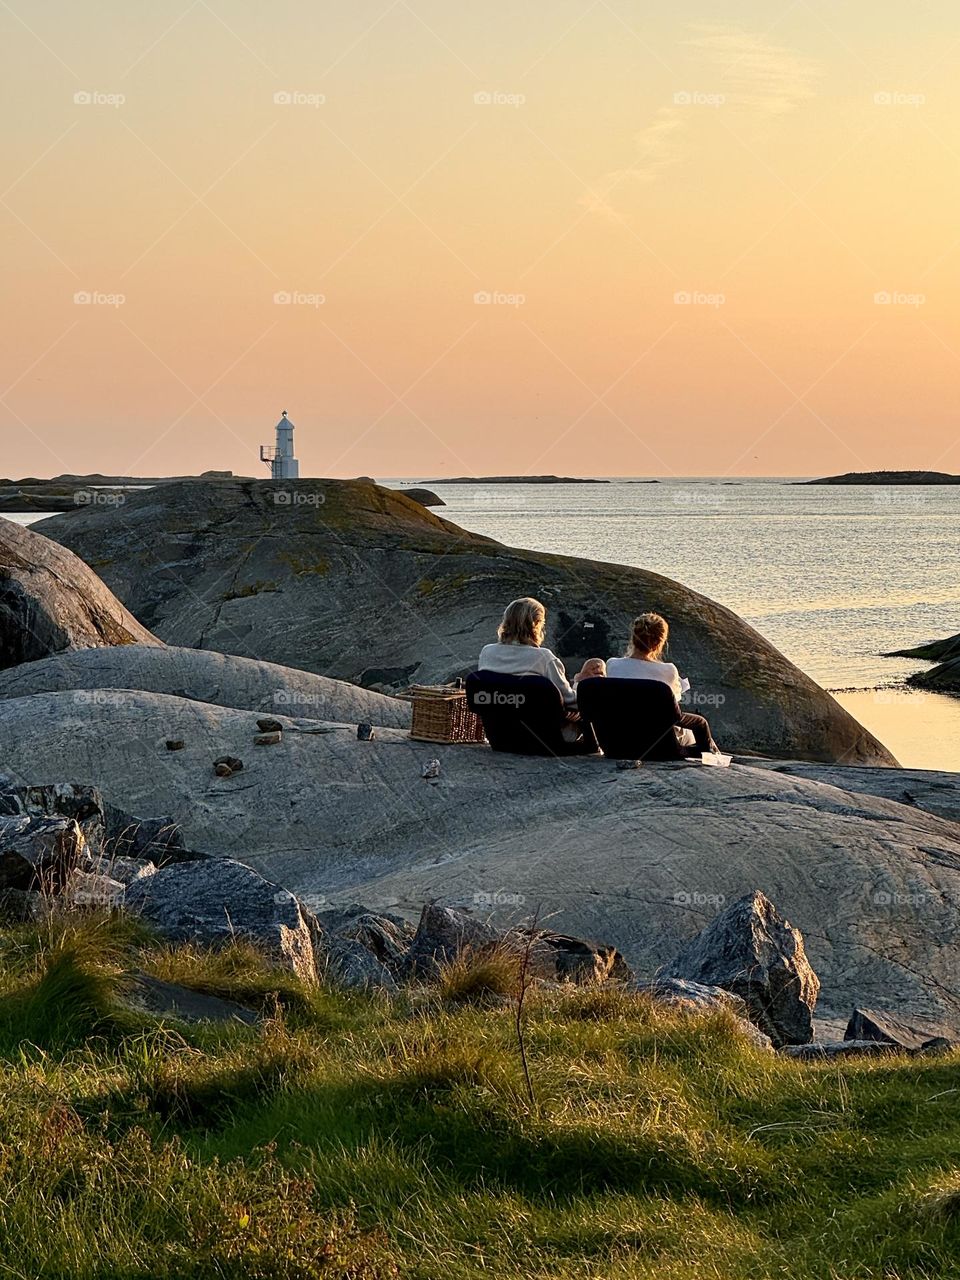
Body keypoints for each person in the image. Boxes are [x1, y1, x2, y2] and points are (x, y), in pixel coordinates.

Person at [606, 612, 720, 755]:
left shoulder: (612, 664)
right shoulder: (668, 670)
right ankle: (713, 757)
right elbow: (674, 707)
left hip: (618, 742)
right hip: (660, 746)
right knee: (699, 724)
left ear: (633, 638)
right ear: (659, 643)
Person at [478, 597, 577, 708]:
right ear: (537, 624)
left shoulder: (487, 652)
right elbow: (569, 701)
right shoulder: (544, 658)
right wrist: (578, 683)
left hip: (495, 718)